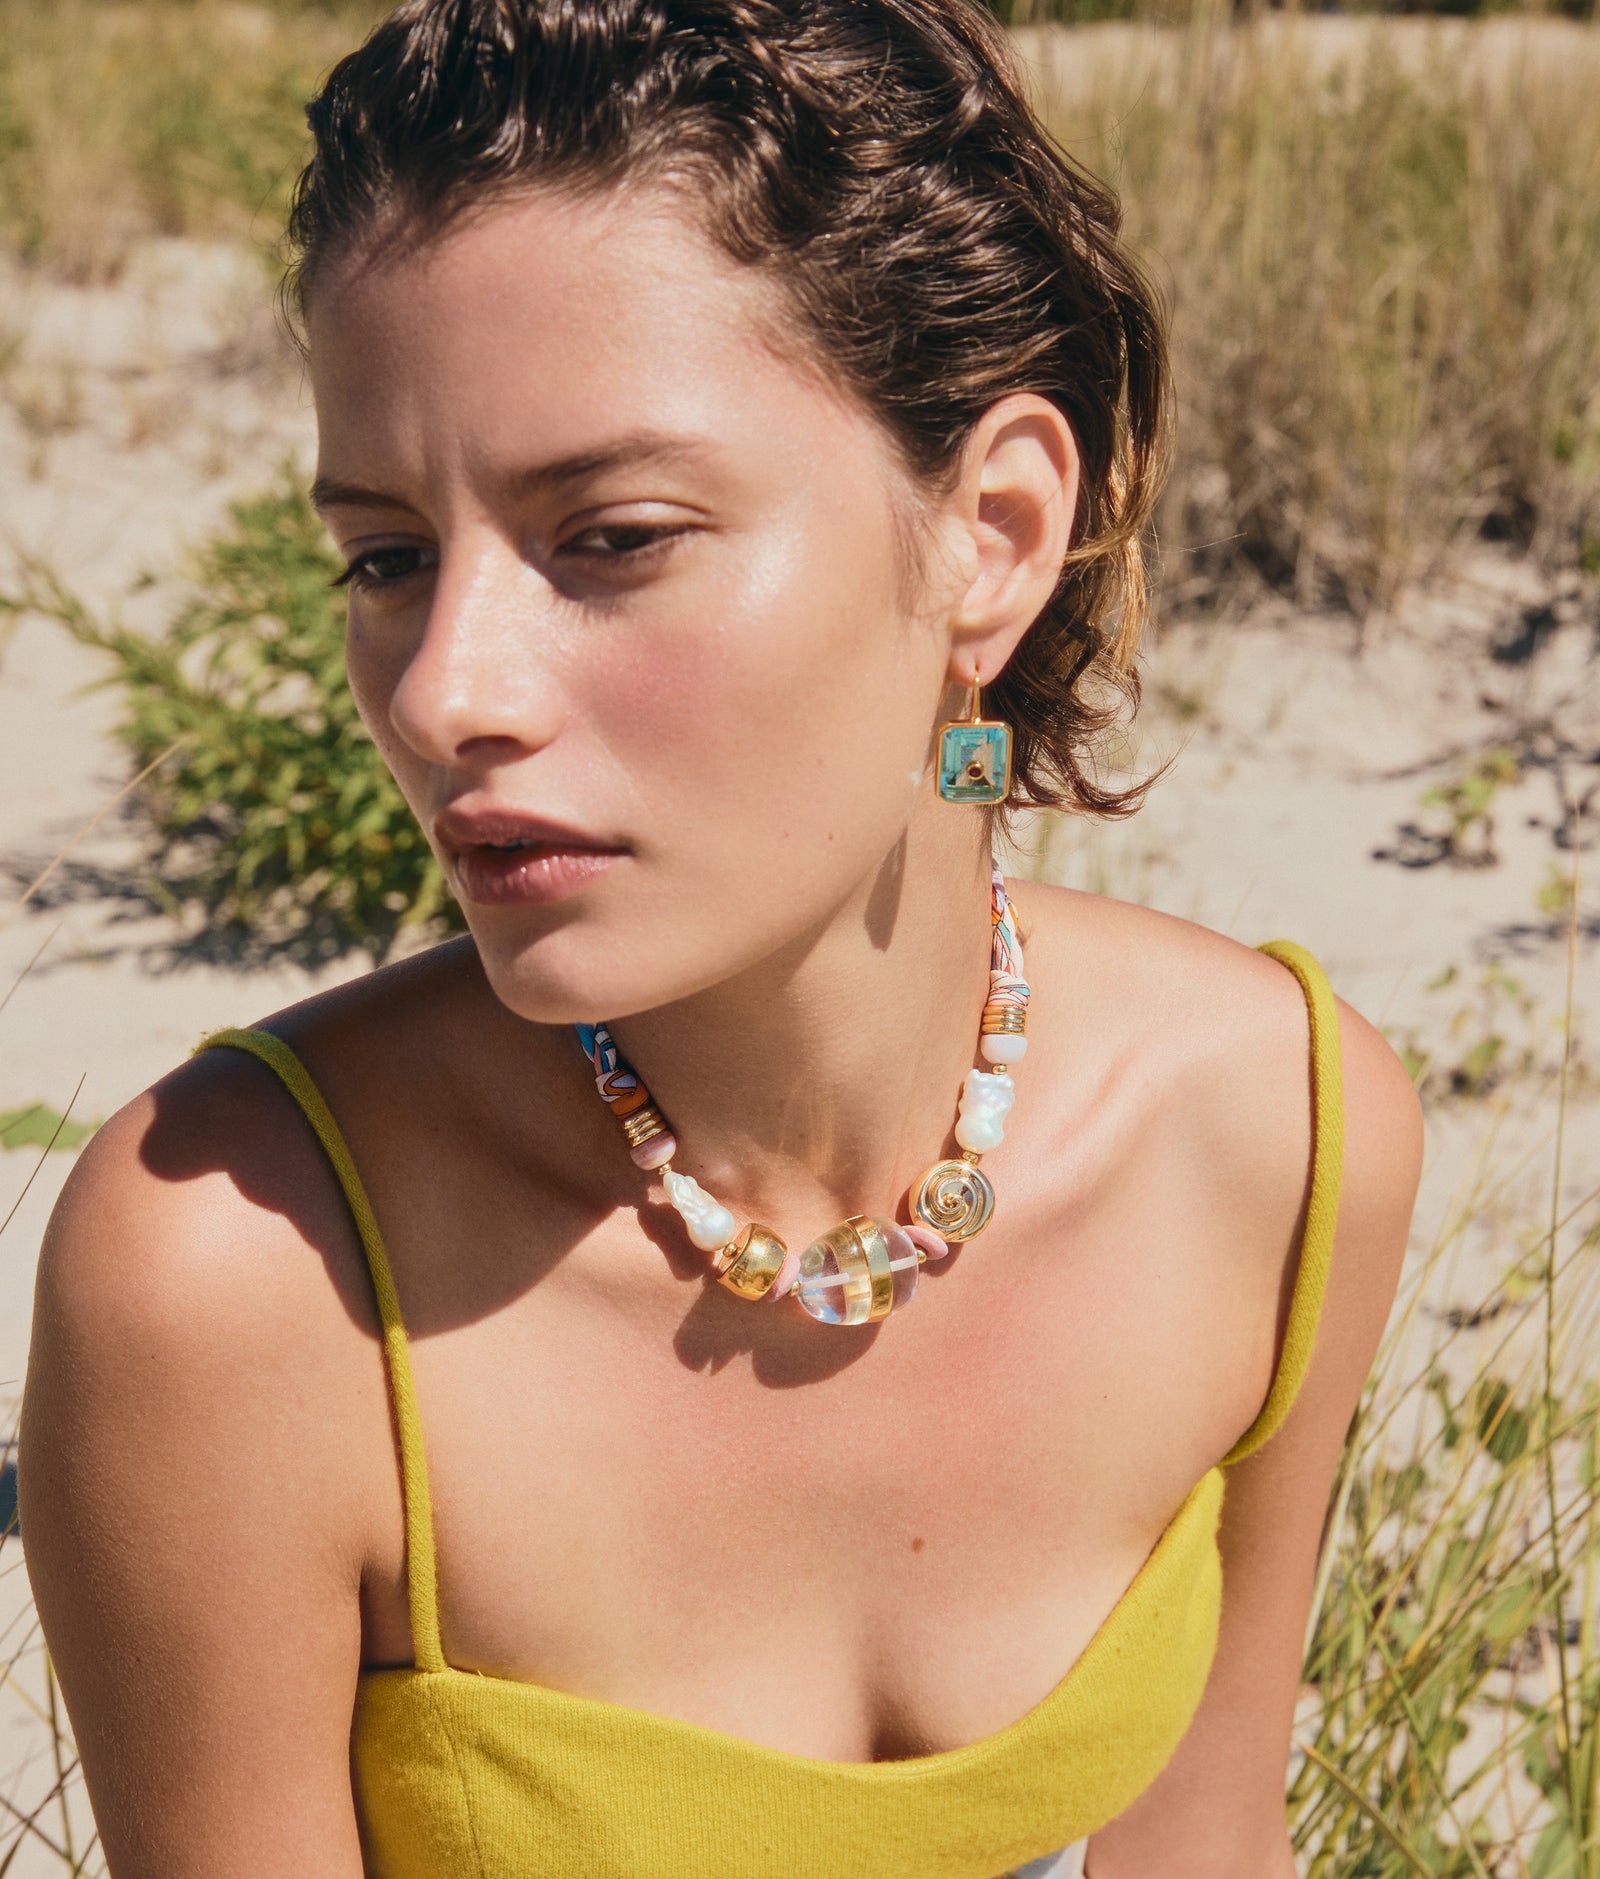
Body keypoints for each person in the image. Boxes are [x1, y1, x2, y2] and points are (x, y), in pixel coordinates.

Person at [18, 1, 1424, 1873]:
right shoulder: (249, 1280)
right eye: (384, 556)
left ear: (995, 533)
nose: (442, 695)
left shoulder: (1281, 1134)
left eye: (613, 536)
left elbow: (1208, 1841)